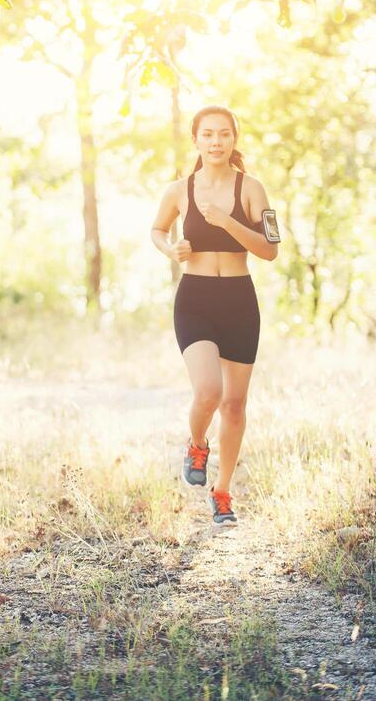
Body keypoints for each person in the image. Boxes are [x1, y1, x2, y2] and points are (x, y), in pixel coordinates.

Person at [150, 105, 279, 527]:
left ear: (233, 139)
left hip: (240, 300)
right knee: (208, 392)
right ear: (196, 140)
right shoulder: (178, 190)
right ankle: (197, 444)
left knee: (236, 404)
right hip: (196, 298)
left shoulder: (252, 188)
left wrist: (227, 222)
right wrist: (172, 249)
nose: (216, 142)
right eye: (208, 134)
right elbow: (158, 230)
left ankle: (222, 493)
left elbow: (271, 247)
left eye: (224, 134)